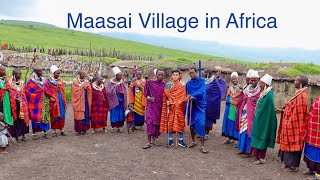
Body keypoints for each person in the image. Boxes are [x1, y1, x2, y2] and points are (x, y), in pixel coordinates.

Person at [276, 75, 309, 172]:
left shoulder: (302, 96)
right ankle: (287, 163)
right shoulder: (298, 93)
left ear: (301, 83)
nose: (294, 82)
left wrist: (289, 122)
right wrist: (283, 110)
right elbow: (291, 107)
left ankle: (292, 166)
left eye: (296, 81)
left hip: (295, 124)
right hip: (289, 122)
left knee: (294, 143)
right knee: (288, 142)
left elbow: (298, 113)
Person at [250, 74, 277, 164]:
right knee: (257, 135)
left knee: (262, 136)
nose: (259, 84)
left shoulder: (269, 95)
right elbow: (260, 104)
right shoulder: (264, 93)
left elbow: (267, 108)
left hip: (264, 121)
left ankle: (261, 157)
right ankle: (255, 155)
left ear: (265, 84)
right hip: (259, 119)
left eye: (261, 83)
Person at [160, 69, 187, 148]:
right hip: (170, 107)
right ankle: (170, 140)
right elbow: (165, 95)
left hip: (179, 108)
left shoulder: (182, 86)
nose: (175, 76)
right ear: (171, 76)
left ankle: (181, 141)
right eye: (174, 75)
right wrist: (168, 101)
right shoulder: (168, 85)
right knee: (170, 123)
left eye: (177, 75)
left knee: (181, 123)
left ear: (179, 76)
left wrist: (175, 103)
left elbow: (183, 97)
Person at [237, 70, 261, 157]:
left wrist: (251, 102)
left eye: (255, 80)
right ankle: (242, 148)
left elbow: (258, 103)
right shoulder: (247, 89)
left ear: (258, 80)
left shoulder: (259, 91)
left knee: (249, 131)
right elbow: (244, 99)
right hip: (244, 112)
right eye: (251, 80)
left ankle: (248, 151)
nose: (252, 82)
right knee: (243, 130)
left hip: (252, 115)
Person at [25, 67, 53, 140]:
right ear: (35, 71)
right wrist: (39, 93)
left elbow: (47, 89)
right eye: (39, 71)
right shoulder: (31, 81)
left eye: (41, 71)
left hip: (44, 102)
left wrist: (50, 95)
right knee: (35, 117)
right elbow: (29, 92)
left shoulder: (43, 80)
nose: (41, 72)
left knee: (45, 116)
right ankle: (34, 133)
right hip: (35, 102)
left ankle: (45, 132)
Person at [185, 67, 208, 153]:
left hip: (200, 106)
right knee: (191, 124)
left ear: (196, 72)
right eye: (190, 73)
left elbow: (202, 92)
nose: (191, 74)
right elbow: (185, 93)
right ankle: (193, 141)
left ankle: (202, 146)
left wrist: (194, 96)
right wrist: (187, 97)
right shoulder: (188, 83)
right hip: (192, 106)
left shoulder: (202, 81)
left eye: (193, 73)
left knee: (202, 124)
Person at [143, 69, 166, 149]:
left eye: (162, 75)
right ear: (156, 74)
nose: (160, 76)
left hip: (159, 107)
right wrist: (149, 98)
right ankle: (149, 141)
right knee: (149, 122)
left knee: (156, 124)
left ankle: (154, 140)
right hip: (151, 105)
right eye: (159, 74)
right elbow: (145, 93)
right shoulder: (149, 82)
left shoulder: (164, 84)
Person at [45, 65, 67, 137]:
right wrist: (51, 96)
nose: (58, 75)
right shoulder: (48, 81)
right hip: (53, 100)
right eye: (57, 73)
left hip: (60, 99)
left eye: (59, 73)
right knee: (54, 114)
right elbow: (46, 89)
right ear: (53, 73)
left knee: (62, 114)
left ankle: (62, 130)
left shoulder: (60, 81)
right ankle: (54, 131)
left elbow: (63, 89)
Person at [301, 96, 320, 179]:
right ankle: (311, 170)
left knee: (318, 154)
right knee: (310, 151)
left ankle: (318, 175)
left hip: (318, 134)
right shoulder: (317, 99)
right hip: (312, 131)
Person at [8, 69, 29, 141]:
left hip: (22, 103)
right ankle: (16, 135)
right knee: (16, 119)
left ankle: (23, 135)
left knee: (23, 119)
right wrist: (15, 97)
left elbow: (24, 92)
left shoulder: (22, 83)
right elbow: (10, 93)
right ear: (14, 75)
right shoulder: (10, 83)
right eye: (18, 74)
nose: (20, 76)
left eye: (20, 74)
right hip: (14, 104)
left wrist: (21, 97)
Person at [222, 72, 242, 144]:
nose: (234, 80)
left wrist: (231, 99)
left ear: (237, 79)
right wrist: (229, 99)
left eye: (235, 78)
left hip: (235, 108)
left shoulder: (240, 88)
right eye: (233, 79)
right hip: (229, 107)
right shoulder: (230, 87)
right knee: (228, 122)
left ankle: (235, 139)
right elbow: (228, 96)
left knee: (234, 123)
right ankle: (228, 138)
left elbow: (238, 98)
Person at [106, 67, 127, 133]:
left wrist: (123, 93)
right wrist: (114, 88)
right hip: (114, 103)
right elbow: (108, 92)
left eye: (121, 75)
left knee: (121, 114)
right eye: (120, 75)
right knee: (114, 114)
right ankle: (114, 127)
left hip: (121, 102)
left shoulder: (122, 82)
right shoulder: (111, 83)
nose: (121, 76)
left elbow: (125, 91)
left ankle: (120, 127)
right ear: (116, 75)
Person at [71, 70, 92, 135]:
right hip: (79, 102)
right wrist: (82, 87)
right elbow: (74, 92)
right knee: (79, 115)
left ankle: (84, 130)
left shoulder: (86, 81)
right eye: (83, 74)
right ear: (79, 74)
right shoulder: (75, 82)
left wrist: (87, 87)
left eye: (85, 74)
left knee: (86, 115)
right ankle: (79, 130)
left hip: (85, 101)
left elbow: (89, 89)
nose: (84, 75)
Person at [204, 68, 222, 139]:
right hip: (204, 102)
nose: (204, 74)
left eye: (205, 73)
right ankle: (202, 132)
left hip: (211, 103)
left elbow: (218, 92)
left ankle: (207, 133)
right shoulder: (205, 80)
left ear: (208, 74)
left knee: (209, 117)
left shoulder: (214, 81)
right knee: (203, 117)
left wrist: (212, 99)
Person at [0, 66, 14, 137]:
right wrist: (5, 89)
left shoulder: (6, 80)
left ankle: (6, 136)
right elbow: (3, 88)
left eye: (4, 70)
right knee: (1, 117)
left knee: (7, 115)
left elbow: (10, 88)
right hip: (1, 101)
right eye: (2, 70)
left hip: (7, 101)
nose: (4, 72)